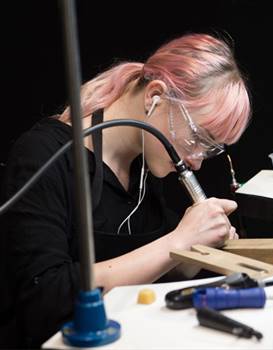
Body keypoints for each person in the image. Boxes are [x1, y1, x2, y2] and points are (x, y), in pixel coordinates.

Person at [0, 33, 251, 348]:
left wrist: (192, 255)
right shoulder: (43, 156)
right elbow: (45, 296)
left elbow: (144, 272)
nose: (197, 163)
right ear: (154, 96)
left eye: (209, 150)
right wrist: (179, 240)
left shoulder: (144, 169)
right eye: (197, 139)